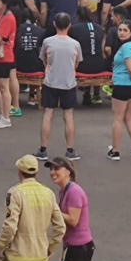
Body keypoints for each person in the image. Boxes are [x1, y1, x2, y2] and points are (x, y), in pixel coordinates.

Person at [35, 13, 83, 162]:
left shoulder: (47, 41)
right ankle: (70, 150)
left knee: (47, 114)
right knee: (68, 115)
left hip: (51, 82)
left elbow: (44, 59)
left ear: (55, 24)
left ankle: (43, 150)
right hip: (68, 83)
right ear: (69, 25)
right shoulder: (75, 44)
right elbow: (77, 63)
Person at [107, 19, 131, 162]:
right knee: (129, 116)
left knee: (118, 118)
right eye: (120, 30)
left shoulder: (126, 48)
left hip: (122, 85)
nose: (121, 33)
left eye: (125, 30)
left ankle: (115, 151)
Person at [0, 0, 19, 128]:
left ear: (5, 3)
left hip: (4, 56)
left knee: (3, 87)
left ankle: (6, 118)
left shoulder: (8, 18)